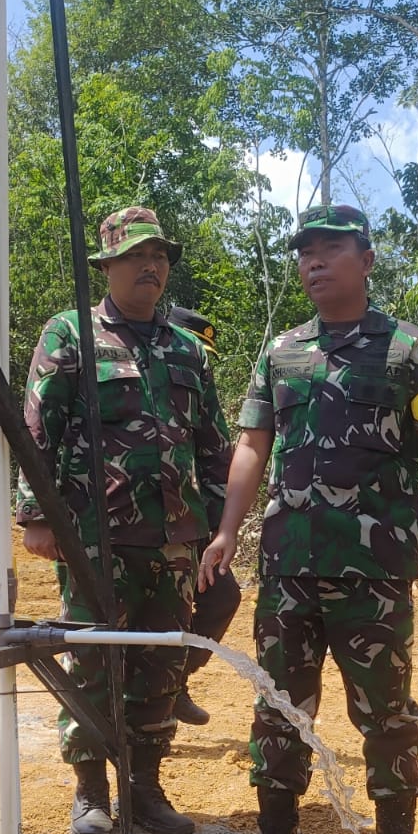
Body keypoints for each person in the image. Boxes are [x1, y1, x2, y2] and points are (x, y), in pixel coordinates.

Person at [199, 204, 418, 834]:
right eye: (304, 252)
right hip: (290, 563)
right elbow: (252, 447)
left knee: (386, 708)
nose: (312, 262)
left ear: (367, 260)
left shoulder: (411, 348)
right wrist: (227, 531)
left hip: (373, 566)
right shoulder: (281, 351)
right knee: (279, 702)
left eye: (328, 249)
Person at [16, 207, 232, 834]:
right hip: (93, 536)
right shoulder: (69, 335)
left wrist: (219, 529)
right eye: (137, 256)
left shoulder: (189, 349)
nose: (151, 267)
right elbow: (37, 430)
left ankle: (145, 786)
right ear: (106, 267)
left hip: (173, 538)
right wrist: (35, 515)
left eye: (160, 256)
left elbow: (212, 444)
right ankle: (91, 794)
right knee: (92, 660)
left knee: (160, 666)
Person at [165, 306, 242, 727]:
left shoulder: (198, 383)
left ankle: (175, 682)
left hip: (191, 523)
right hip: (130, 524)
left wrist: (217, 529)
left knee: (222, 596)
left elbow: (215, 456)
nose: (201, 354)